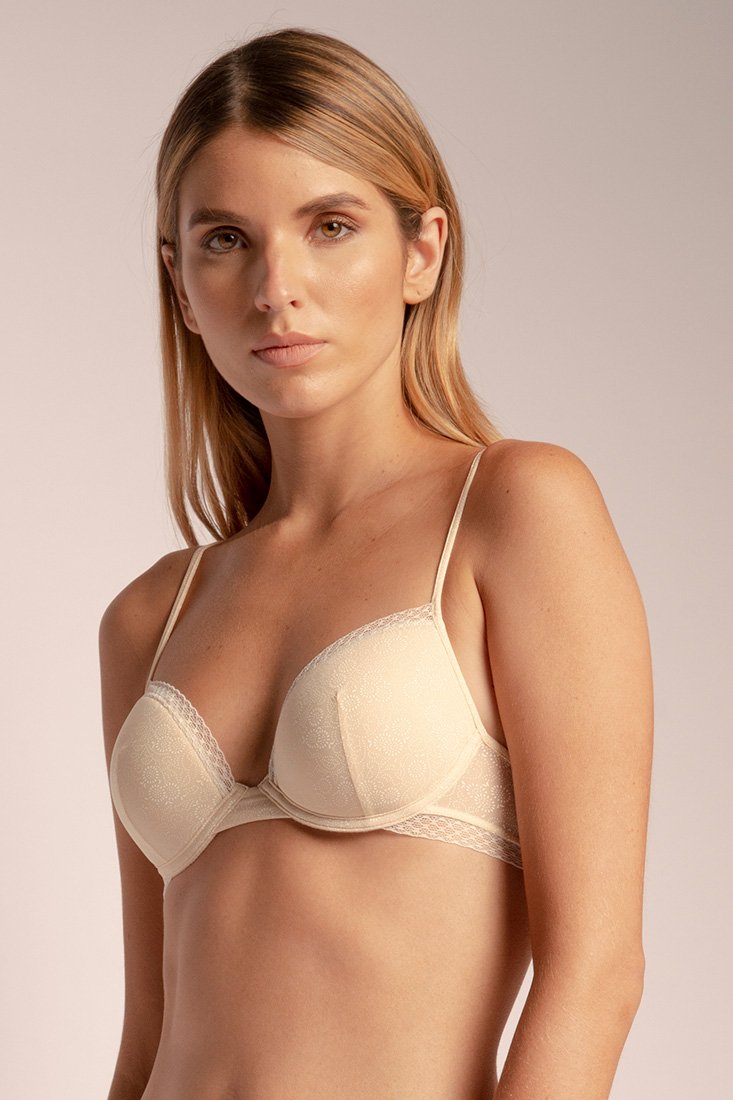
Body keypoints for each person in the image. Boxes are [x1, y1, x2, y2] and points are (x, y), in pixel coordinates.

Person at [100, 27, 653, 1100]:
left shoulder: (514, 513)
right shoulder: (148, 618)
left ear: (421, 251)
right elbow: (147, 1026)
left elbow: (595, 975)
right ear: (180, 283)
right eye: (226, 239)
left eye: (330, 226)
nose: (276, 287)